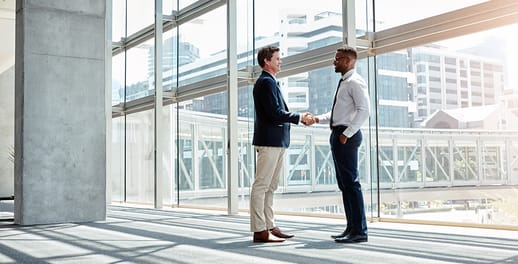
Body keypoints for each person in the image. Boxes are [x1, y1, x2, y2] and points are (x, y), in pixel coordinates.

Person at [250, 45, 314, 243]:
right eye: (277, 58)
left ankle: (269, 225)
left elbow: (276, 112)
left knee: (270, 187)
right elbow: (274, 113)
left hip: (276, 141)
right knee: (262, 185)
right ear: (266, 61)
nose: (281, 61)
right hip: (269, 141)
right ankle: (259, 230)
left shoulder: (271, 82)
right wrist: (299, 117)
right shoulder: (265, 83)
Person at [312, 46, 370, 243]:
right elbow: (337, 114)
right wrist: (317, 119)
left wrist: (346, 134)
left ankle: (360, 231)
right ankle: (351, 227)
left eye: (337, 59)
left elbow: (364, 110)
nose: (334, 62)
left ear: (348, 61)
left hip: (346, 136)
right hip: (338, 134)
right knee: (344, 184)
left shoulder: (355, 82)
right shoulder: (344, 82)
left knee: (351, 184)